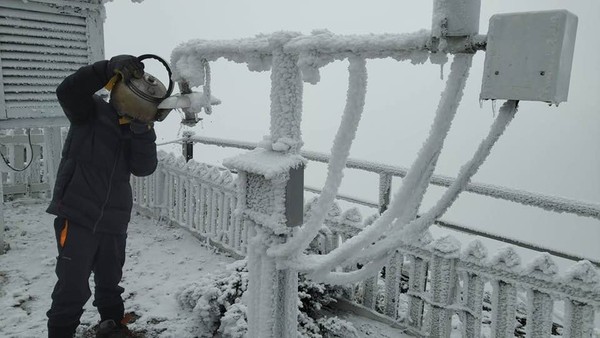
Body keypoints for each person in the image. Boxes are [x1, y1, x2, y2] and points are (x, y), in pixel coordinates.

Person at [46, 55, 158, 338]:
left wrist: (143, 130)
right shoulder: (89, 111)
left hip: (114, 220)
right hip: (77, 214)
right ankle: (61, 331)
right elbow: (67, 90)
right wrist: (105, 69)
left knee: (110, 281)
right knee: (73, 285)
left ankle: (111, 324)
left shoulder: (135, 130)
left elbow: (144, 168)